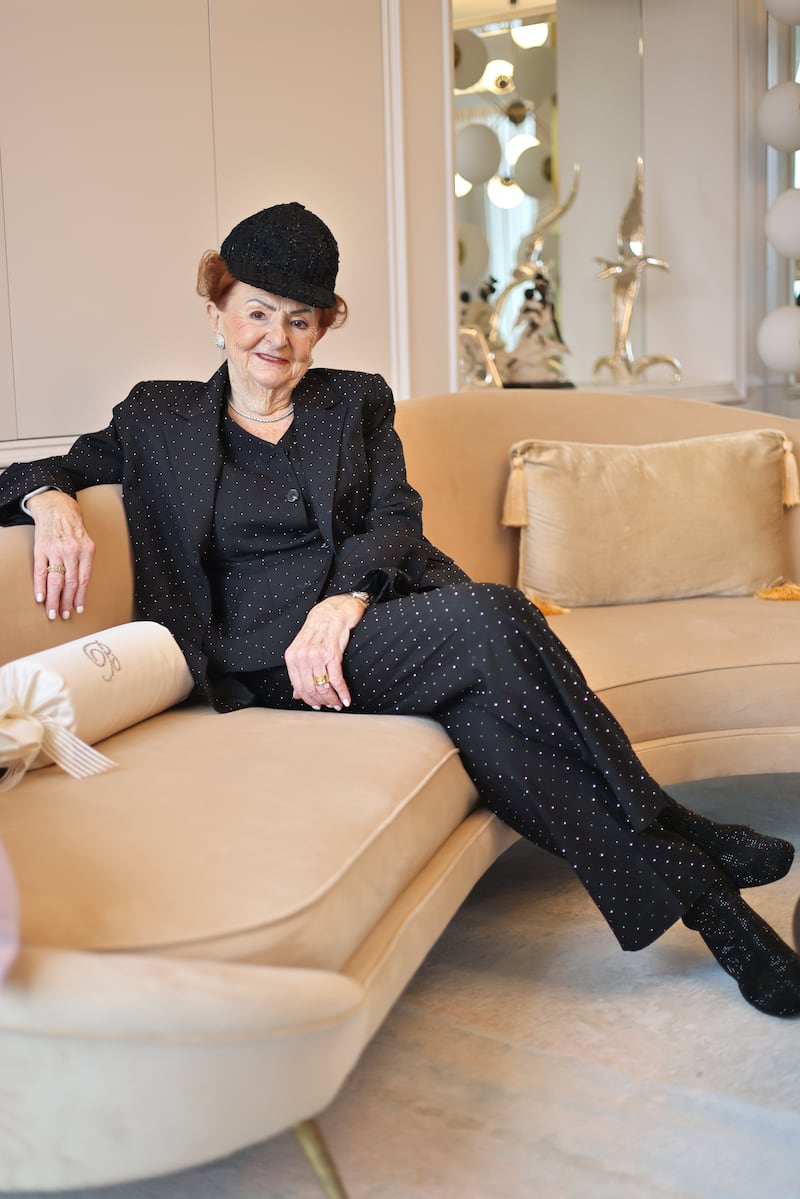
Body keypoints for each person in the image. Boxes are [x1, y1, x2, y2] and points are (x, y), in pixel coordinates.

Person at [0, 201, 798, 1018]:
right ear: (218, 311)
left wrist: (345, 599)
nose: (277, 337)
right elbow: (37, 468)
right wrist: (48, 497)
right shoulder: (156, 417)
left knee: (494, 730)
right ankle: (679, 829)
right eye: (258, 312)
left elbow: (393, 517)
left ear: (323, 329)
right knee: (493, 613)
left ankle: (724, 923)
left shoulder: (355, 402)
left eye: (301, 319)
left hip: (360, 625)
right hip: (261, 659)